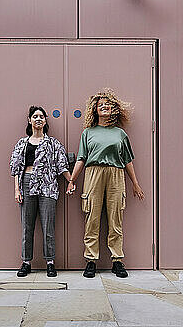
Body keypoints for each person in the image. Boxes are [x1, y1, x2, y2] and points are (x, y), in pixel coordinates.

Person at [67, 89, 145, 278]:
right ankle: (91, 261)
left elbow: (127, 160)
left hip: (116, 175)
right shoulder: (88, 133)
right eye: (100, 104)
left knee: (115, 218)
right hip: (93, 173)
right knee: (92, 217)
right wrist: (72, 180)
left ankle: (117, 260)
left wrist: (135, 183)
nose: (104, 106)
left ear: (114, 109)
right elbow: (81, 158)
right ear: (95, 109)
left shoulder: (120, 134)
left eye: (107, 104)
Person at [9, 105, 74, 277]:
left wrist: (70, 181)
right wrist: (17, 189)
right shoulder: (22, 144)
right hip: (27, 183)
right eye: (35, 116)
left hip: (48, 185)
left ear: (45, 121)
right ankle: (26, 262)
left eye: (41, 116)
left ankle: (50, 262)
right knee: (27, 226)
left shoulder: (53, 143)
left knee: (48, 226)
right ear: (29, 120)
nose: (38, 119)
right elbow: (16, 169)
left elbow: (61, 165)